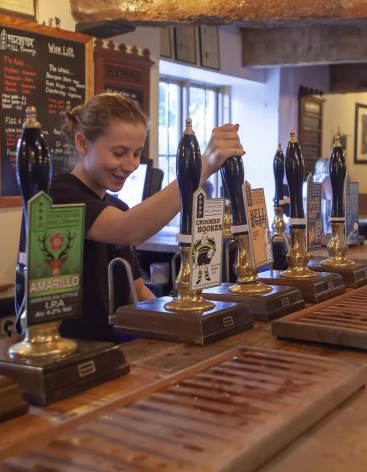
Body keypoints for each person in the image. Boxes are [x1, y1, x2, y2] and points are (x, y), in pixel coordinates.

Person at [50, 93, 244, 342]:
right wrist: (200, 167)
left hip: (116, 348)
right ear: (82, 144)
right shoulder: (57, 196)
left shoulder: (116, 206)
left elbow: (138, 290)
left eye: (136, 153)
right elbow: (127, 230)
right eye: (119, 153)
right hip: (70, 351)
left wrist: (180, 326)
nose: (131, 165)